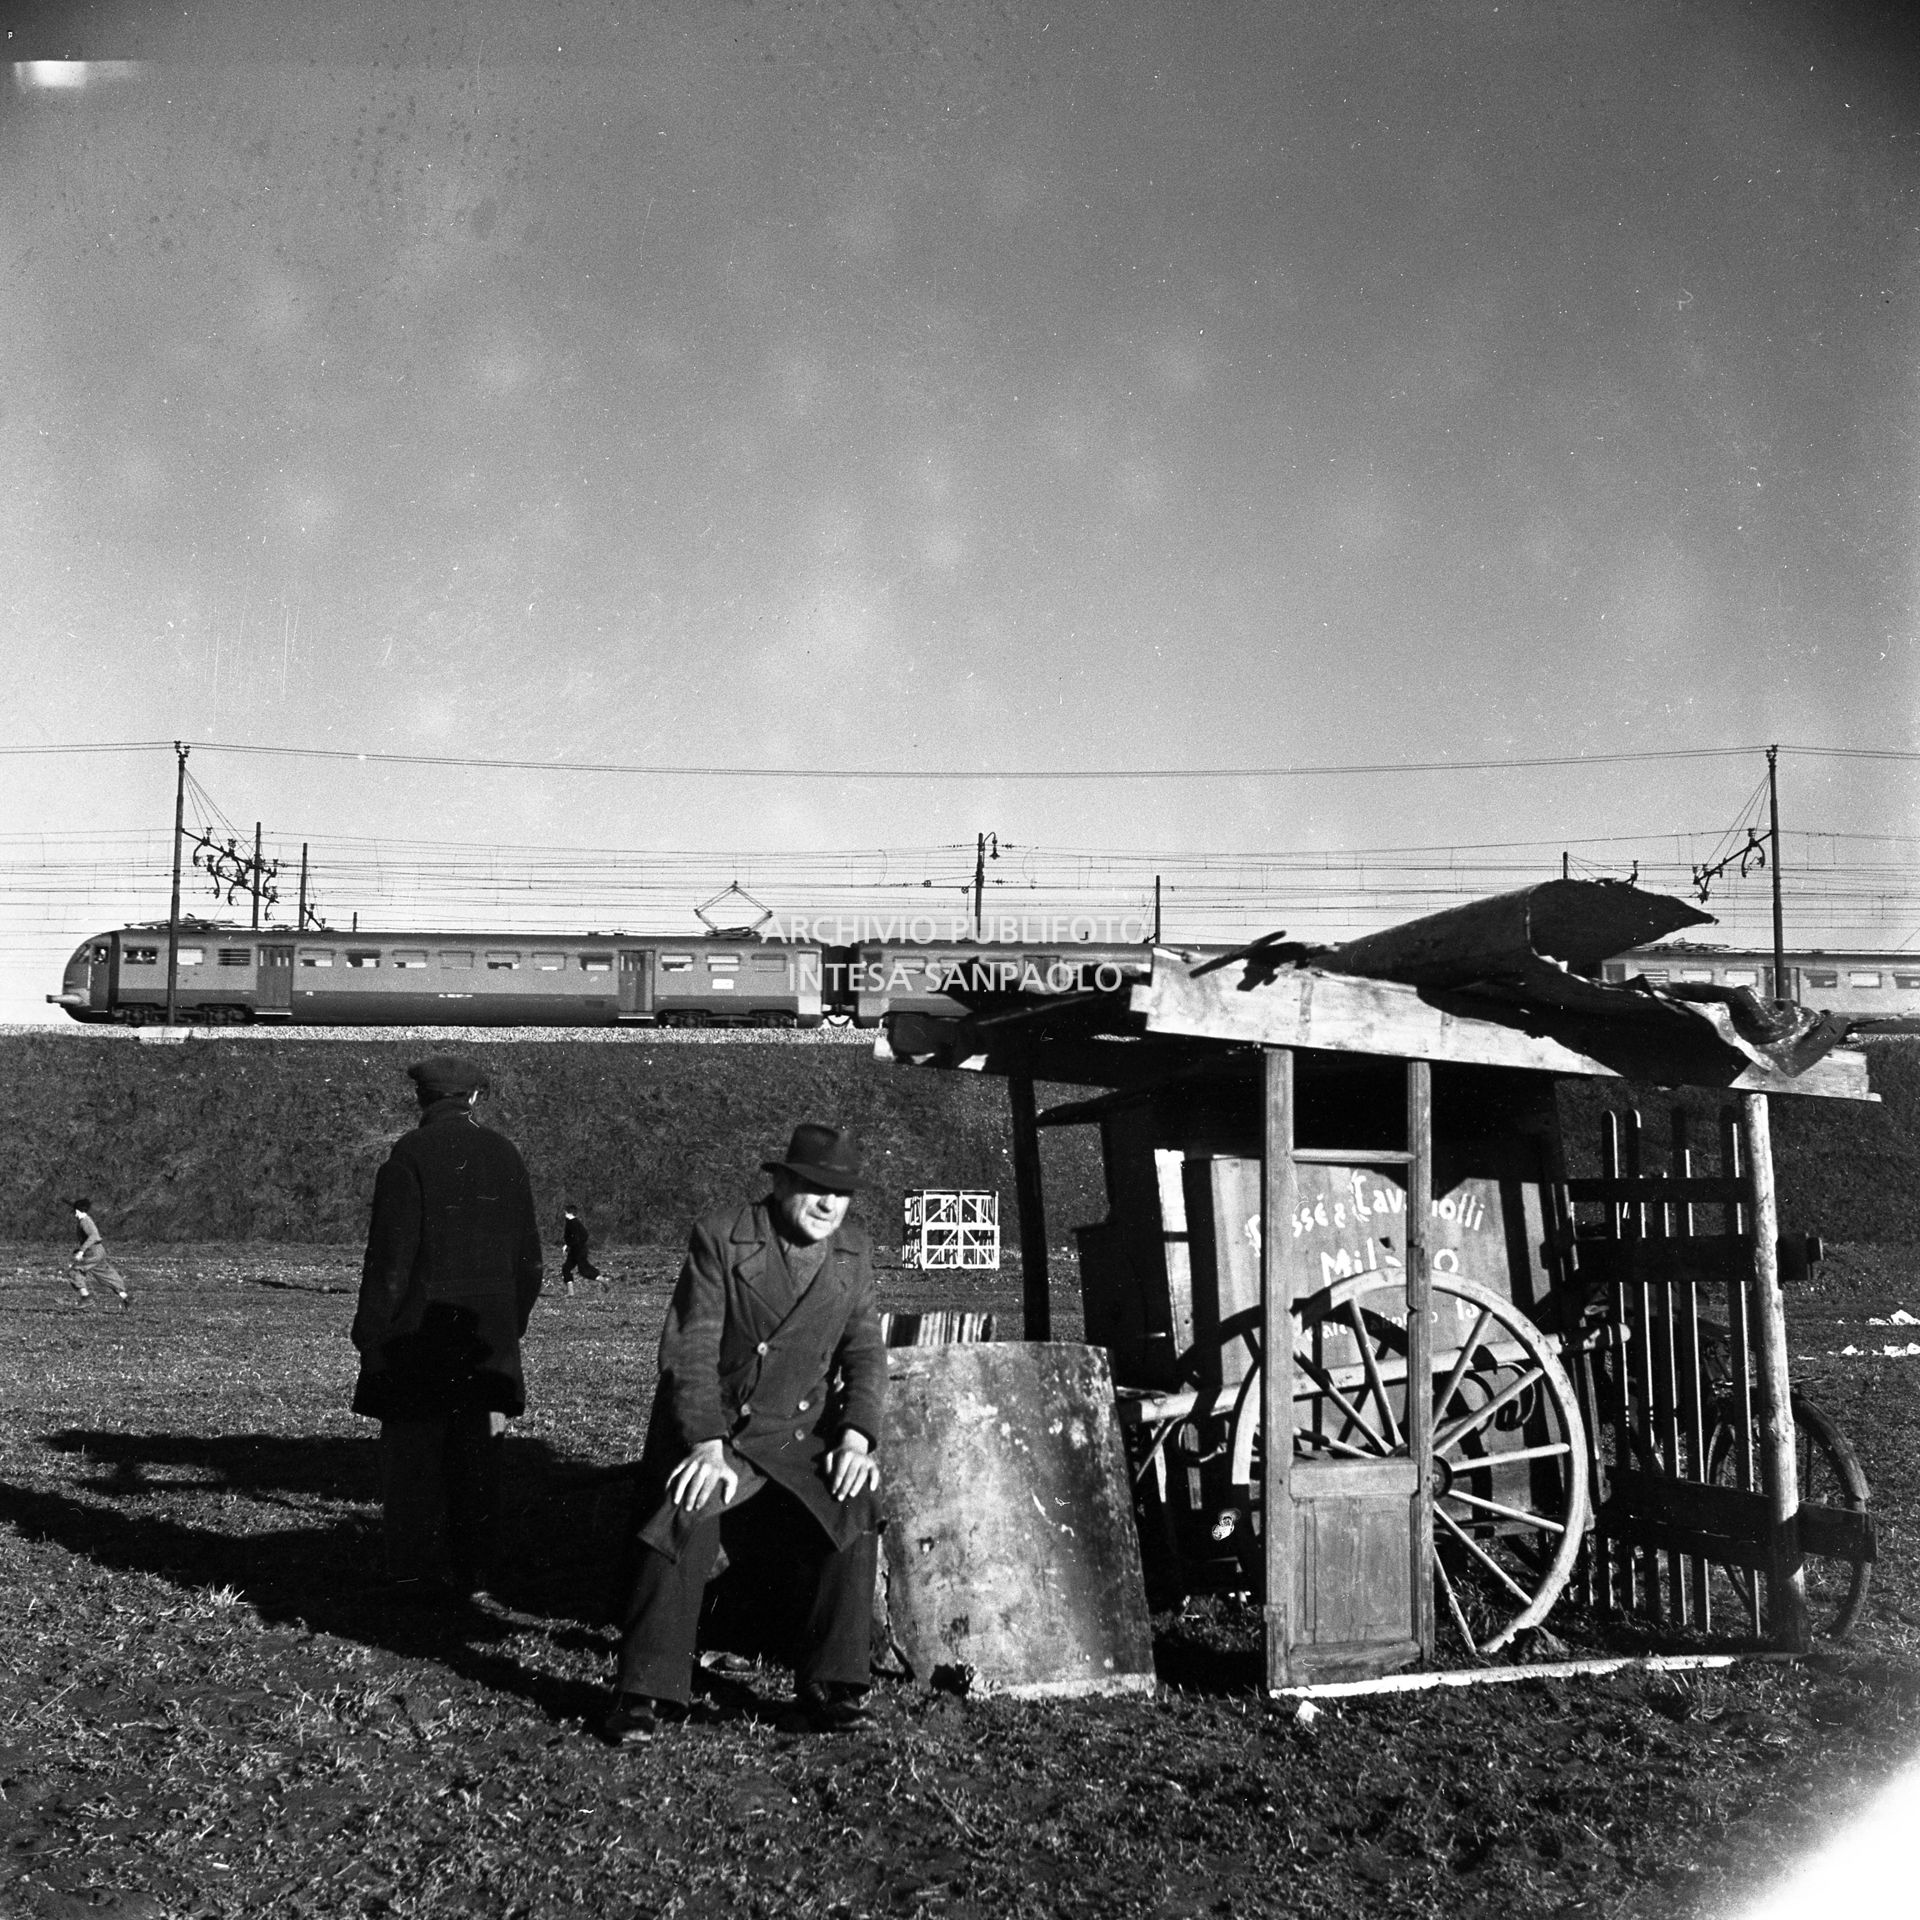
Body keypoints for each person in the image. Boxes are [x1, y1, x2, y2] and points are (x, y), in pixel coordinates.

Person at [605, 1122, 885, 1742]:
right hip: (722, 1427)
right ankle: (645, 1690)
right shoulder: (722, 1237)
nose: (827, 1204)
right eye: (813, 1186)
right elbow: (692, 1351)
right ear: (781, 1181)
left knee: (854, 1499)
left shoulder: (855, 1251)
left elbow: (865, 1351)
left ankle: (834, 1683)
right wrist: (706, 1443)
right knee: (691, 1501)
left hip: (793, 1433)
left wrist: (857, 1437)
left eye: (840, 1193)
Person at [351, 1054, 543, 1605]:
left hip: (416, 1339)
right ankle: (475, 1574)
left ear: (422, 1099)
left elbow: (389, 1260)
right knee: (478, 1465)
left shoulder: (408, 1155)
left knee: (412, 1466)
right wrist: (510, 1325)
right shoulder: (506, 1154)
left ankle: (412, 1575)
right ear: (475, 1099)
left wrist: (371, 1335)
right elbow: (528, 1261)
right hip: (488, 1344)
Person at [67, 1198, 131, 1309]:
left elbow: (94, 1236)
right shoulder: (86, 1220)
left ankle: (86, 1297)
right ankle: (125, 1296)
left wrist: (82, 1251)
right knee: (105, 1274)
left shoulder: (85, 1222)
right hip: (98, 1251)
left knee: (74, 1271)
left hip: (93, 1252)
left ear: (77, 1210)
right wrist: (81, 1249)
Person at [561, 1205, 599, 1296]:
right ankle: (571, 1293)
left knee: (584, 1270)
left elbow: (583, 1236)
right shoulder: (573, 1222)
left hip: (579, 1251)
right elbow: (577, 1236)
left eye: (565, 1212)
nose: (564, 1214)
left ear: (568, 1213)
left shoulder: (573, 1223)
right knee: (566, 1268)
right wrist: (568, 1245)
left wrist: (568, 1245)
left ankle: (603, 1280)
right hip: (575, 1251)